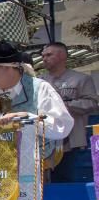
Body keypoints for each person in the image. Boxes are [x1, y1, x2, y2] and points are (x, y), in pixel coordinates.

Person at [0, 41, 73, 167]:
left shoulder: (40, 88)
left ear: (9, 68)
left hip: (36, 165)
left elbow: (62, 126)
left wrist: (28, 118)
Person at [40, 41, 99, 181]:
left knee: (72, 184)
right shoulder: (39, 82)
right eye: (43, 56)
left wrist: (64, 106)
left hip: (71, 144)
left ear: (62, 56)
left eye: (49, 55)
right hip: (46, 145)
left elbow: (92, 103)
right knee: (46, 188)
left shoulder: (81, 79)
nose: (44, 59)